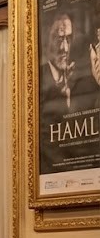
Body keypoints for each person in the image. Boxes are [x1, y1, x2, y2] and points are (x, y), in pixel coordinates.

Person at [39, 11, 100, 174]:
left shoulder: (86, 82)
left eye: (68, 39)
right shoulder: (34, 82)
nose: (64, 48)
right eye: (59, 39)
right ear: (46, 41)